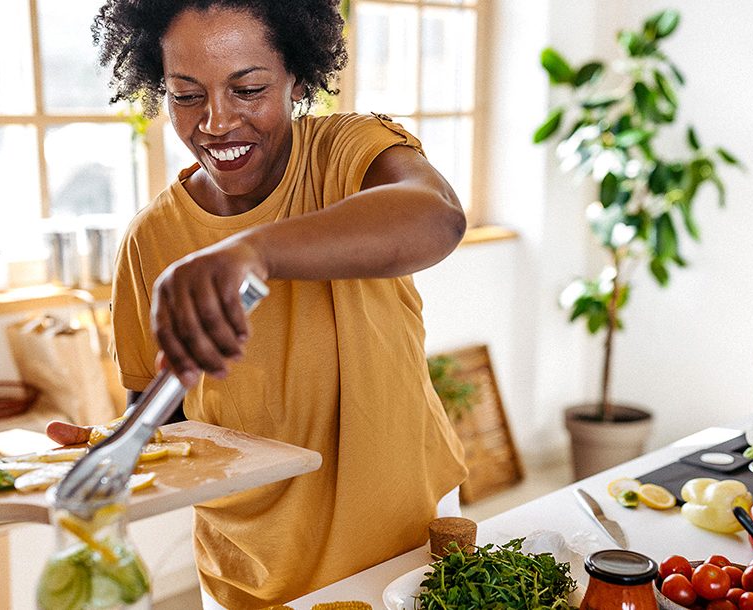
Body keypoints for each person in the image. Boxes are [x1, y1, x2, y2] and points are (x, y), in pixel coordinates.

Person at [72, 0, 468, 607]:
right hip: (249, 569)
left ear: (297, 79)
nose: (216, 122)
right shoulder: (150, 239)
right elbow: (164, 412)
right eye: (186, 95)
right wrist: (122, 444)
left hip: (405, 546)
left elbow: (436, 219)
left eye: (248, 88)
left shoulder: (346, 154)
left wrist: (252, 251)